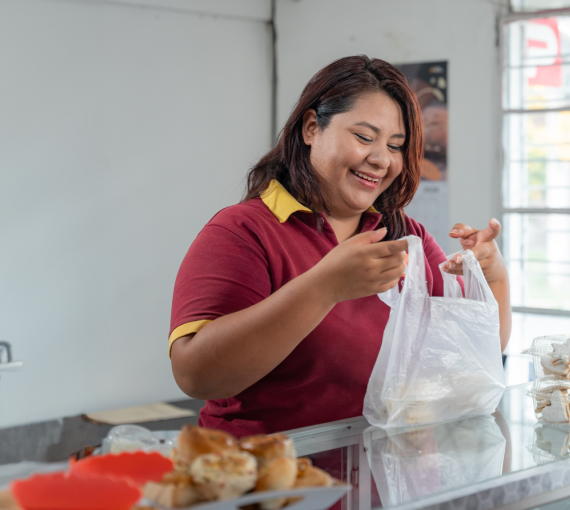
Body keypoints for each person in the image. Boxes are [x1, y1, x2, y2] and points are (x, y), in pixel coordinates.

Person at [167, 55, 511, 437]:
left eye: (395, 145)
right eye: (364, 137)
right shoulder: (243, 231)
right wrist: (323, 287)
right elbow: (194, 375)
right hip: (275, 483)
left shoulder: (402, 235)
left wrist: (493, 274)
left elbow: (476, 356)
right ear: (312, 128)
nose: (381, 159)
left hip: (380, 480)